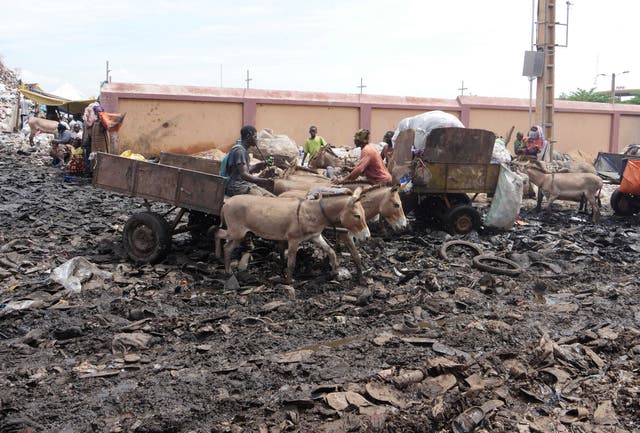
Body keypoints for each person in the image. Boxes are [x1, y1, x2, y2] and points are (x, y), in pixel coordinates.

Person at [224, 125, 274, 196]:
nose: (257, 139)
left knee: (270, 196)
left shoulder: (242, 150)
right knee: (264, 199)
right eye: (255, 137)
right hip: (237, 187)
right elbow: (244, 175)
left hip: (243, 184)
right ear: (248, 137)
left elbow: (245, 170)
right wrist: (264, 181)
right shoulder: (240, 151)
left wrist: (259, 165)